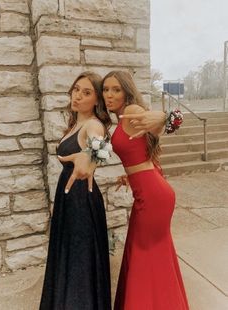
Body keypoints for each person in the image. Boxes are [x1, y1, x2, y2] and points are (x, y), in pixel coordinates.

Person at [102, 70, 189, 310]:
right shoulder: (122, 116)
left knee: (145, 254)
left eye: (116, 89)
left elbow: (168, 123)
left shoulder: (131, 111)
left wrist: (163, 116)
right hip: (151, 189)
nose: (109, 95)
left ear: (126, 91)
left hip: (153, 197)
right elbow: (141, 155)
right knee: (149, 252)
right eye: (106, 89)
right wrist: (129, 175)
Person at [39, 71, 112, 310]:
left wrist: (89, 157)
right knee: (68, 257)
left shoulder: (93, 124)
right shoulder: (75, 124)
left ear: (97, 101)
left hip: (82, 201)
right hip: (68, 199)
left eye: (87, 92)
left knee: (80, 262)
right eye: (76, 89)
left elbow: (98, 145)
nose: (78, 95)